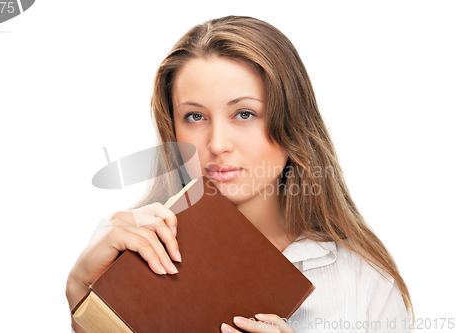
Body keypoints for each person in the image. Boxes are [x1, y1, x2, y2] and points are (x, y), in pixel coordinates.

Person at [66, 15, 413, 333]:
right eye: (195, 117)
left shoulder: (366, 284)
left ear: (292, 123)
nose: (217, 144)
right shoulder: (126, 244)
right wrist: (80, 292)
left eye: (245, 114)